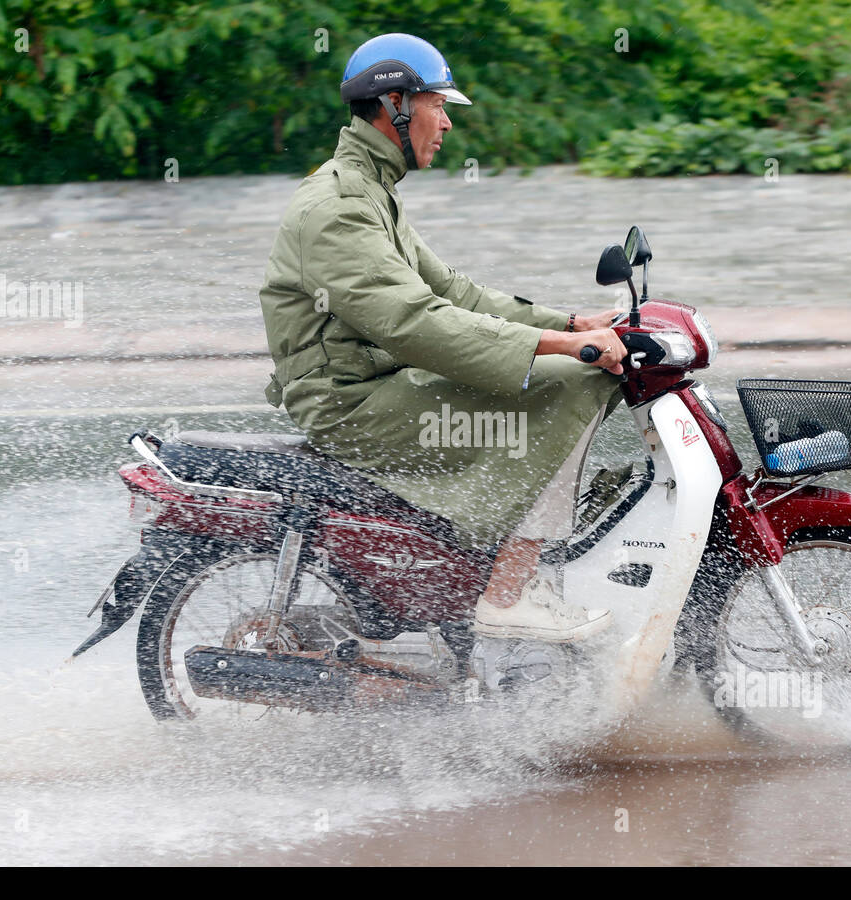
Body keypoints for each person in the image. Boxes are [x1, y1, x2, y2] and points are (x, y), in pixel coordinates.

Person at [259, 33, 628, 642]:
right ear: (395, 104)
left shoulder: (373, 192)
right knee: (571, 382)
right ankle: (510, 592)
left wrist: (566, 324)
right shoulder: (339, 205)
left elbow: (454, 294)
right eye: (439, 104)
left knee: (566, 370)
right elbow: (415, 323)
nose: (448, 123)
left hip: (381, 385)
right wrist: (563, 350)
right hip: (348, 404)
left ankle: (490, 562)